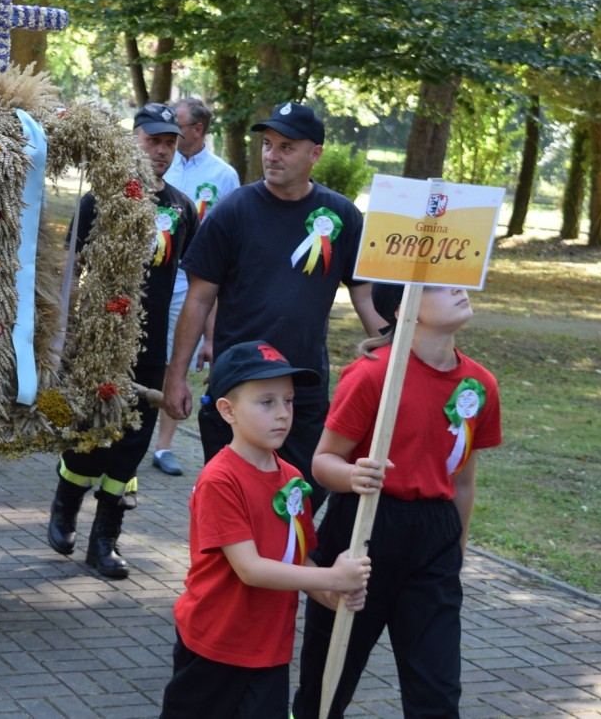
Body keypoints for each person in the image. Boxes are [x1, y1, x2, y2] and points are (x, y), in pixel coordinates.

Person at [291, 284, 502, 719]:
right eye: (440, 286)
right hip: (364, 531)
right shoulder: (373, 374)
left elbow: (462, 482)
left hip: (435, 539)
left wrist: (454, 552)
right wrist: (352, 475)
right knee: (327, 683)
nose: (459, 288)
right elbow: (322, 461)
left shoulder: (479, 384)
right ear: (405, 308)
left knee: (437, 691)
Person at [163, 102, 385, 512]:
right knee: (234, 502)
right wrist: (176, 378)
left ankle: (282, 574)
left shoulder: (341, 216)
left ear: (314, 153)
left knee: (298, 499)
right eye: (267, 145)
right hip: (239, 385)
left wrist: (390, 348)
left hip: (304, 386)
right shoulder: (234, 211)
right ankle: (238, 575)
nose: (271, 155)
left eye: (286, 147)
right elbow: (198, 297)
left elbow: (364, 294)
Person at [159, 341, 371, 719]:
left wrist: (331, 593)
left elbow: (298, 556)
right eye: (266, 402)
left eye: (288, 401)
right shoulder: (220, 480)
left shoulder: (292, 479)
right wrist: (332, 575)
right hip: (216, 644)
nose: (283, 414)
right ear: (227, 411)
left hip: (270, 647)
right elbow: (250, 568)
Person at [47, 103, 198, 579]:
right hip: (100, 341)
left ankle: (105, 538)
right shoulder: (100, 200)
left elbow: (195, 282)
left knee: (132, 444)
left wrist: (195, 345)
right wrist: (61, 333)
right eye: (153, 140)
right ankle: (67, 502)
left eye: (170, 142)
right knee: (89, 437)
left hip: (152, 346)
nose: (162, 150)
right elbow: (71, 271)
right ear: (132, 140)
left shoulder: (181, 207)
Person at [153, 96, 240, 477]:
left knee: (178, 361)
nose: (170, 135)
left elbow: (228, 245)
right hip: (153, 278)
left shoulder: (224, 176)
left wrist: (211, 332)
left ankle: (164, 445)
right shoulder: (157, 162)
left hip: (189, 288)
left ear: (198, 130)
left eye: (179, 128)